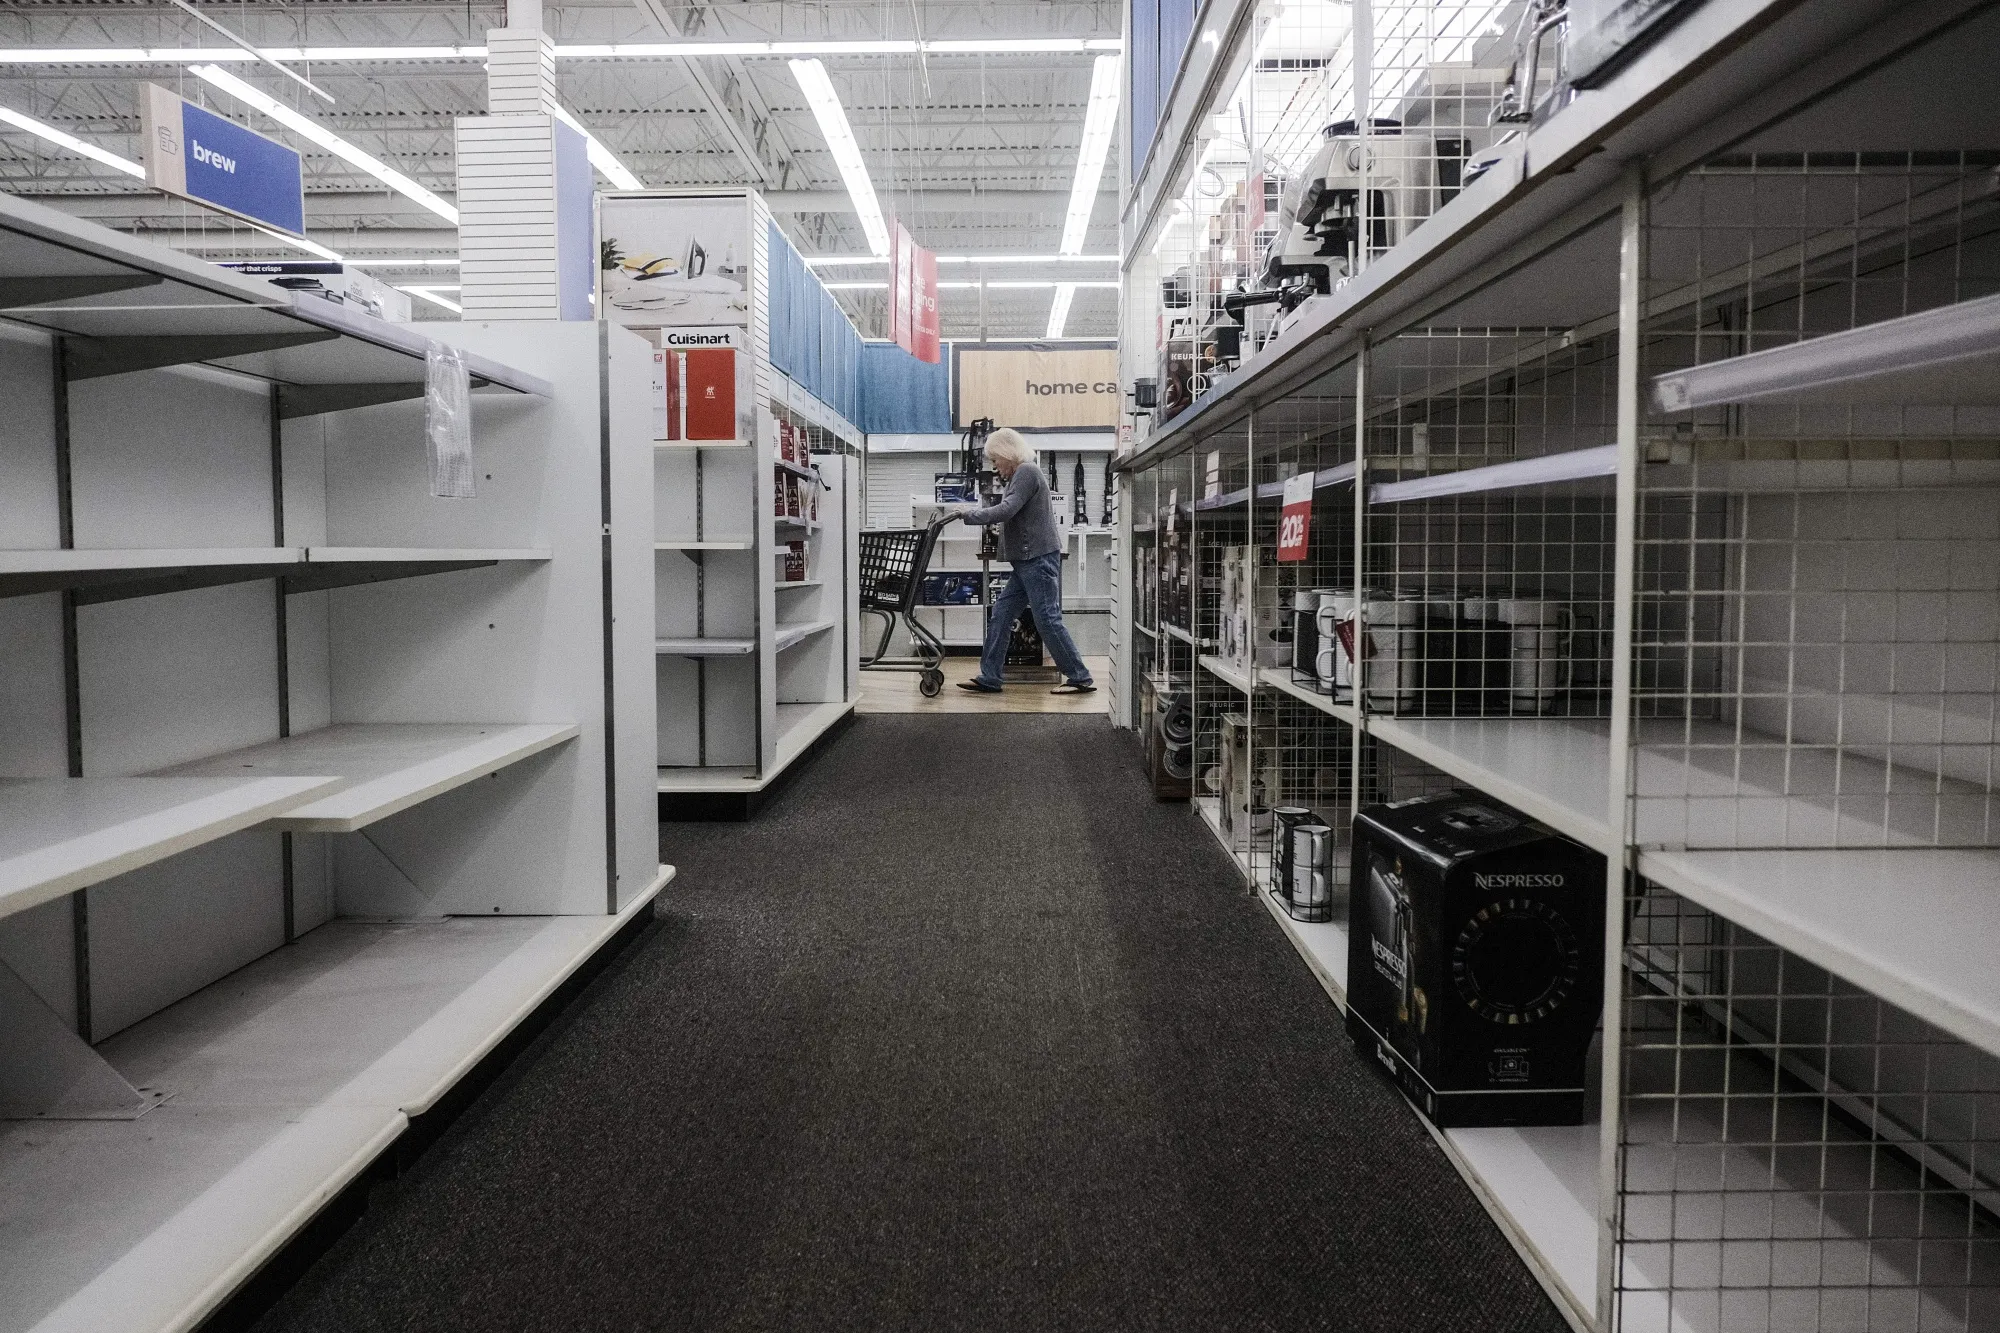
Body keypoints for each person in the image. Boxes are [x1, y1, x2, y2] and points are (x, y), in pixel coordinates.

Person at [950, 428, 1095, 695]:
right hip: (1026, 561)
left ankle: (1079, 677)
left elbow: (1007, 510)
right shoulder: (1021, 475)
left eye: (995, 460)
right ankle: (990, 677)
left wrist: (969, 515)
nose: (994, 467)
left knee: (1047, 620)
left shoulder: (1026, 472)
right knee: (1002, 615)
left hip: (1037, 559)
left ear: (1008, 453)